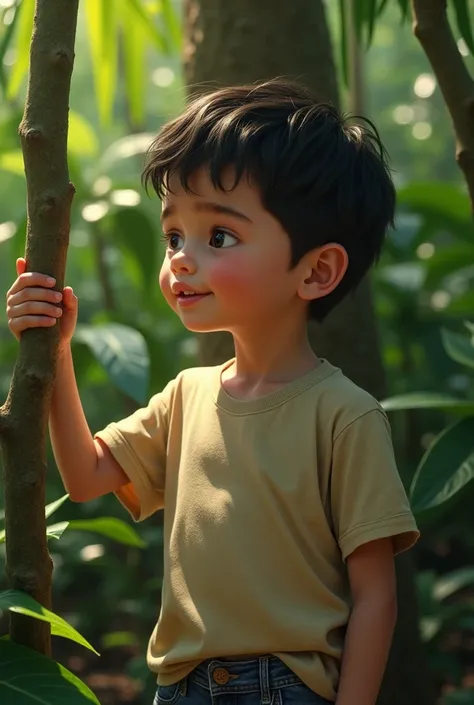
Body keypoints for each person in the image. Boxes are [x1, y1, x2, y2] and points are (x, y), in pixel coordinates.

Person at [6, 79, 419, 705]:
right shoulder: (186, 395)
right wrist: (55, 350)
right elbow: (88, 476)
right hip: (178, 683)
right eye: (174, 237)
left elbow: (376, 596)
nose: (181, 261)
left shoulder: (344, 416)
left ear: (317, 271)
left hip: (287, 689)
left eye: (218, 237)